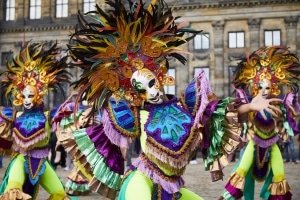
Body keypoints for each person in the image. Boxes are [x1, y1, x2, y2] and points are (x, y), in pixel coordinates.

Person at [53, 1, 282, 200]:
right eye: (140, 89)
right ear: (135, 93)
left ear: (160, 77)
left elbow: (217, 113)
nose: (150, 92)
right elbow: (103, 128)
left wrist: (251, 105)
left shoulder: (185, 107)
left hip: (171, 188)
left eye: (151, 83)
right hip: (141, 182)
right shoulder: (134, 114)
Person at [219, 46, 300, 200]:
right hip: (253, 144)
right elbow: (236, 113)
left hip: (272, 146)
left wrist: (290, 109)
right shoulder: (251, 102)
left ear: (274, 88)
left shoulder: (277, 104)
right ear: (256, 87)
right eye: (260, 86)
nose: (264, 90)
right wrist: (249, 108)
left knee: (279, 174)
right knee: (242, 170)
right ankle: (226, 197)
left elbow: (289, 118)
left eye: (267, 87)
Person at [0, 42, 71, 200]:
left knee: (59, 193)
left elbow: (68, 111)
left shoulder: (47, 115)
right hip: (20, 159)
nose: (26, 100)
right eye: (24, 96)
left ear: (38, 95)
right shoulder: (14, 116)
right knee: (14, 190)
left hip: (40, 163)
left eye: (30, 95)